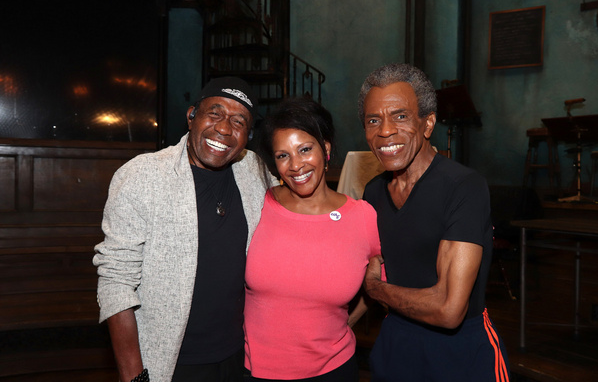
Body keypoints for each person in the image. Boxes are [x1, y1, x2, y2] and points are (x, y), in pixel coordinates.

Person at [94, 77, 274, 382]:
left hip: (239, 358)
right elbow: (115, 283)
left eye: (239, 121)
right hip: (170, 364)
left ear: (249, 135)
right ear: (191, 116)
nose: (224, 129)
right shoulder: (143, 175)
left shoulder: (255, 171)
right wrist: (134, 377)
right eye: (214, 114)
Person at [358, 63, 510, 382]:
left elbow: (448, 308)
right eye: (374, 120)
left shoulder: (463, 186)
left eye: (400, 116)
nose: (385, 131)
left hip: (459, 354)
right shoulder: (373, 192)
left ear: (427, 124)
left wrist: (377, 290)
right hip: (395, 345)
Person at [243, 97, 382, 382]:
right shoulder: (257, 205)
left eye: (305, 149)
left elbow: (380, 282)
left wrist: (347, 323)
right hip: (254, 372)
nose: (296, 165)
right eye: (283, 155)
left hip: (333, 371)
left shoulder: (363, 217)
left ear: (326, 148)